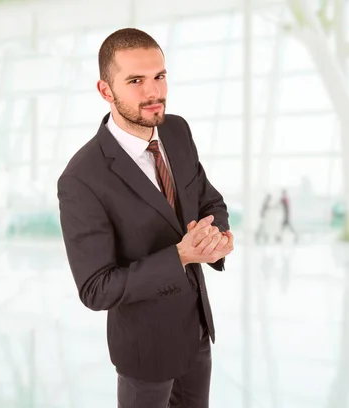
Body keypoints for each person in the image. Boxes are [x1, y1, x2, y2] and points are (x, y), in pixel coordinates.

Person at [56, 28, 234, 408]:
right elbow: (96, 289)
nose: (153, 92)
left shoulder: (177, 130)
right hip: (145, 351)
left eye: (160, 76)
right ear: (106, 91)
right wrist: (181, 256)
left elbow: (208, 199)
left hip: (197, 335)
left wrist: (216, 237)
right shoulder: (82, 178)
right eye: (135, 81)